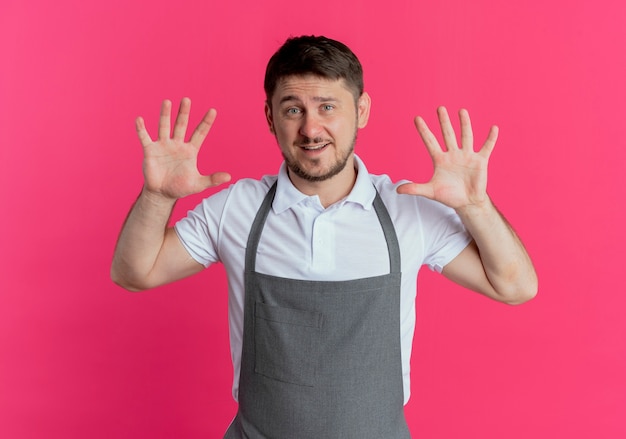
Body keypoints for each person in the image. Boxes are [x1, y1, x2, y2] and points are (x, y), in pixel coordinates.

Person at [111, 35, 537, 438]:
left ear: (362, 110)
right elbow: (135, 272)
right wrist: (157, 197)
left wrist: (474, 207)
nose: (311, 130)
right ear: (270, 117)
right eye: (293, 109)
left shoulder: (409, 210)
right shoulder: (236, 209)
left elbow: (516, 286)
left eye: (327, 107)